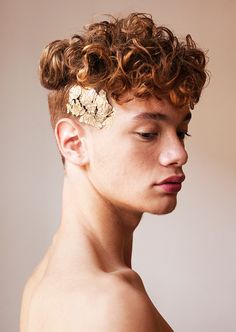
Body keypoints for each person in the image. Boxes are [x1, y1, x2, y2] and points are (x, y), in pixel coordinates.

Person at [20, 12, 208, 331]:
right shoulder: (111, 303)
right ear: (73, 142)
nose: (180, 153)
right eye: (148, 133)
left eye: (181, 132)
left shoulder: (49, 275)